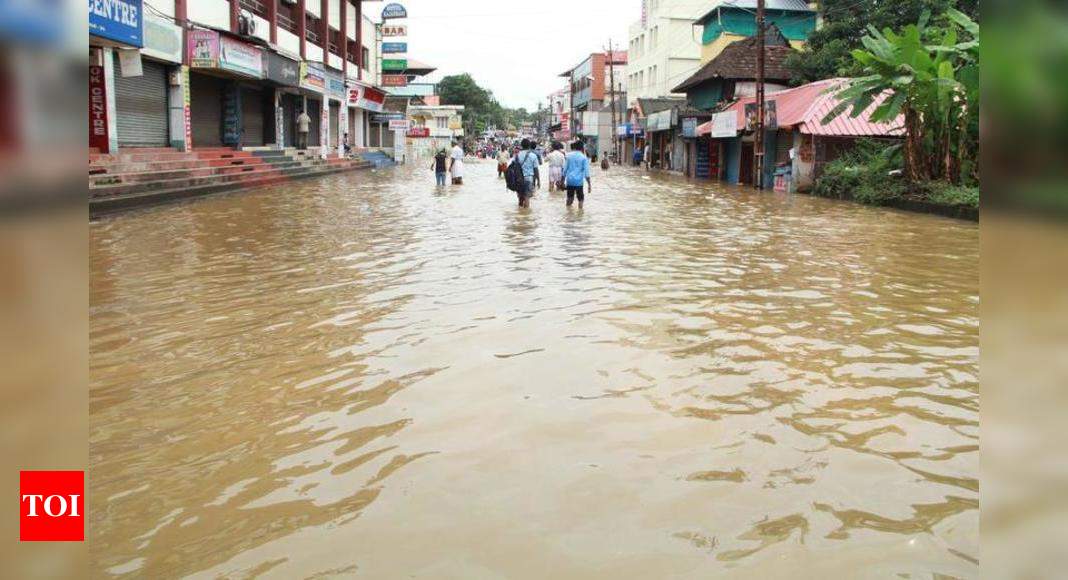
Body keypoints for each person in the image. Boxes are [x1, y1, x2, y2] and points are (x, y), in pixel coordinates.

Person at [563, 141, 592, 208]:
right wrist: (589, 184)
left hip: (570, 181)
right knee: (580, 200)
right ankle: (580, 216)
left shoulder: (568, 156)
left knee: (570, 198)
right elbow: (586, 173)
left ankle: (568, 214)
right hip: (579, 182)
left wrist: (562, 181)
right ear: (582, 148)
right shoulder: (583, 157)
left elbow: (565, 170)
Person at [515, 138, 540, 208]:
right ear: (529, 146)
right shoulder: (533, 156)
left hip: (519, 179)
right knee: (527, 197)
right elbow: (536, 170)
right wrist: (538, 180)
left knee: (520, 197)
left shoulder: (517, 155)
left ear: (521, 146)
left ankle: (520, 214)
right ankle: (526, 215)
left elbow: (513, 168)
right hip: (529, 178)